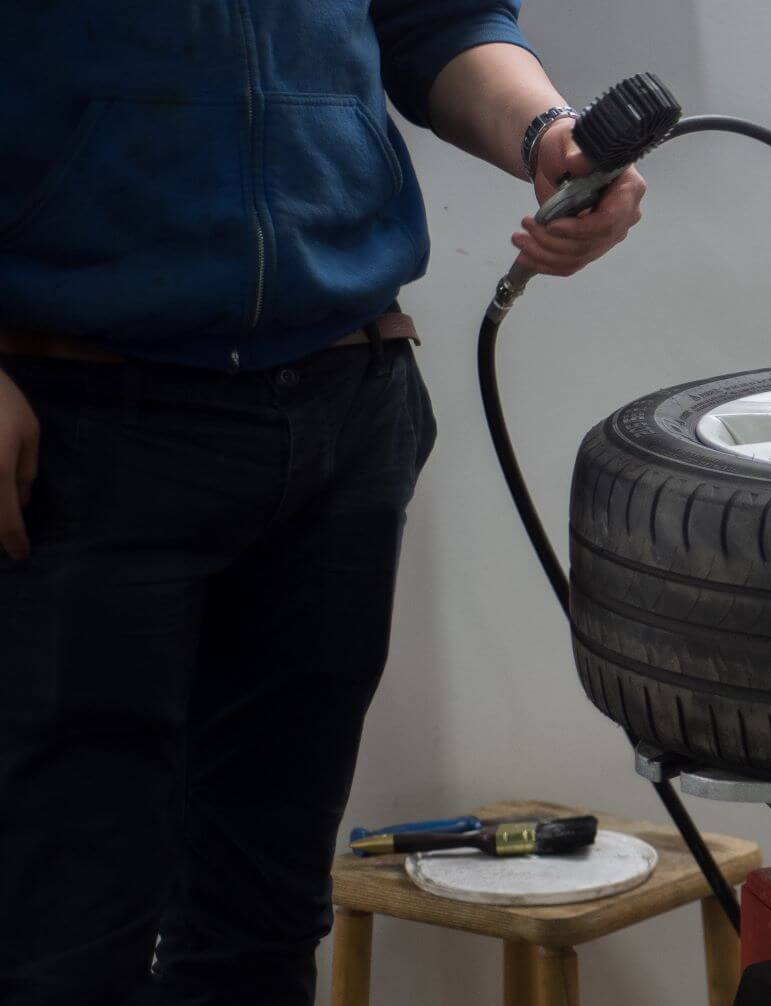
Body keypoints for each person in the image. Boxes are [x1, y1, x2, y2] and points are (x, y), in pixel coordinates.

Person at [0, 4, 645, 1002]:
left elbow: (437, 18)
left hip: (344, 402)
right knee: (63, 940)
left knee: (260, 928)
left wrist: (545, 133)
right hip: (73, 419)